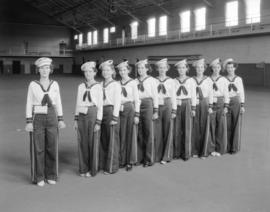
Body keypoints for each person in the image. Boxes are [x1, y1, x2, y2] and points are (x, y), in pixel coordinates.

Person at [25, 57, 66, 186]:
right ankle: (39, 176)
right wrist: (29, 121)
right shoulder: (33, 84)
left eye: (47, 67)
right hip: (38, 116)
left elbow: (58, 102)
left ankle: (51, 175)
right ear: (38, 70)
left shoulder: (55, 84)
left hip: (52, 115)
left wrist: (60, 119)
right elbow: (29, 103)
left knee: (52, 146)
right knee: (38, 148)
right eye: (42, 68)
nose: (44, 70)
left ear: (50, 69)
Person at [74, 61, 103, 177]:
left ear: (95, 73)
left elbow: (100, 105)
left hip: (92, 113)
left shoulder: (98, 87)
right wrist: (75, 119)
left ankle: (93, 169)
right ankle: (83, 168)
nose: (88, 74)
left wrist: (98, 122)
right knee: (82, 142)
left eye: (90, 71)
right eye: (86, 72)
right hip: (81, 113)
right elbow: (77, 103)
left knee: (93, 142)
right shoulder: (81, 86)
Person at [117, 61, 140, 171]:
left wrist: (136, 114)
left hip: (130, 108)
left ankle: (130, 161)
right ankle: (121, 160)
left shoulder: (133, 83)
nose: (122, 72)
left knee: (130, 135)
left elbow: (137, 99)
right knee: (121, 134)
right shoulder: (117, 83)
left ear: (128, 70)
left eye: (124, 70)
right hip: (119, 110)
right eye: (120, 70)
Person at [99, 60, 122, 174]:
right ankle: (103, 163)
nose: (105, 72)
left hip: (110, 111)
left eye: (108, 70)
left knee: (112, 140)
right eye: (104, 70)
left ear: (112, 71)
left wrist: (115, 118)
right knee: (103, 139)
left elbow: (117, 102)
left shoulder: (116, 84)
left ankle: (112, 166)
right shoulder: (99, 84)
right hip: (101, 111)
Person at [135, 59, 159, 167]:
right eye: (139, 68)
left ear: (147, 69)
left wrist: (156, 110)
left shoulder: (152, 80)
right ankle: (140, 157)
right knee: (139, 131)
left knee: (148, 132)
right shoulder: (135, 81)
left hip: (148, 104)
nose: (140, 70)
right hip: (138, 105)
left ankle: (149, 158)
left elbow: (155, 96)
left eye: (142, 68)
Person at [154, 58, 177, 164]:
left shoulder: (171, 81)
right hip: (157, 105)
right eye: (160, 68)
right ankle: (157, 155)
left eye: (164, 68)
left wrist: (174, 110)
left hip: (167, 104)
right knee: (157, 131)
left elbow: (173, 96)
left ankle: (166, 156)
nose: (162, 70)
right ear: (157, 69)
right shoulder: (154, 80)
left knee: (168, 130)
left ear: (167, 69)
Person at [173, 59, 196, 161]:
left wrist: (193, 108)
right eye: (179, 68)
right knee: (177, 128)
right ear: (177, 69)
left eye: (183, 67)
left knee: (187, 128)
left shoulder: (191, 80)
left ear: (187, 69)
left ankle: (186, 153)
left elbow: (194, 95)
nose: (181, 70)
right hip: (177, 104)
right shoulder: (174, 81)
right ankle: (177, 152)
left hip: (187, 103)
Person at [191, 58, 213, 159]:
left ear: (204, 68)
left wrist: (210, 106)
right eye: (198, 67)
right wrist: (192, 106)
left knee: (204, 126)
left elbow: (211, 94)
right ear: (195, 69)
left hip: (204, 103)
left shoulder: (208, 80)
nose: (199, 69)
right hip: (194, 104)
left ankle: (204, 151)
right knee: (195, 127)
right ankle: (195, 150)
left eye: (201, 67)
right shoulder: (191, 80)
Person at [208, 58, 229, 157]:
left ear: (220, 68)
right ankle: (211, 148)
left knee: (220, 126)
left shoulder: (224, 79)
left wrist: (226, 105)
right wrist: (209, 105)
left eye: (218, 67)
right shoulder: (208, 79)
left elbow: (226, 93)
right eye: (214, 67)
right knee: (211, 126)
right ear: (212, 68)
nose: (216, 69)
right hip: (211, 103)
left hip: (220, 102)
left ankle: (220, 149)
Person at [223, 58, 245, 154]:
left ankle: (234, 147)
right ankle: (227, 146)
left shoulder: (238, 79)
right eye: (228, 67)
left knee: (236, 123)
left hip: (236, 101)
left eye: (232, 67)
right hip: (227, 101)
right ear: (226, 69)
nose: (230, 69)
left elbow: (241, 93)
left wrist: (242, 105)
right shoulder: (223, 79)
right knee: (227, 124)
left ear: (234, 68)